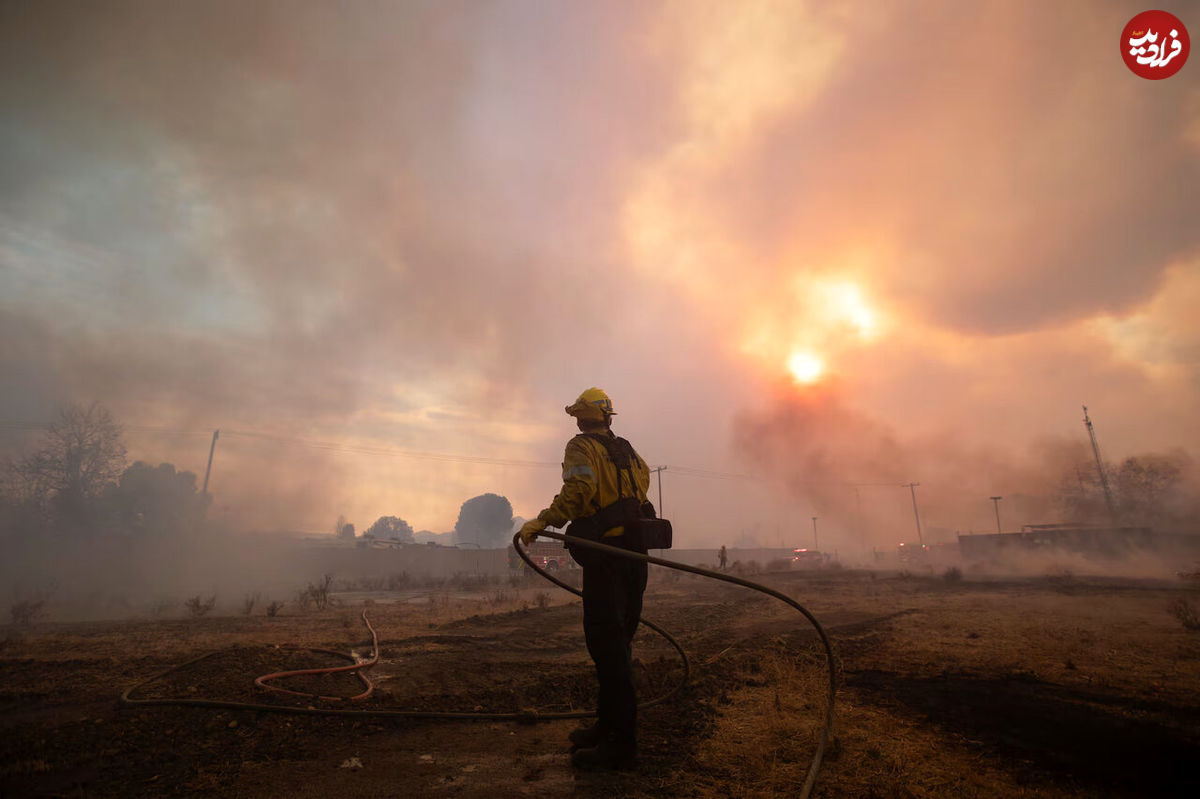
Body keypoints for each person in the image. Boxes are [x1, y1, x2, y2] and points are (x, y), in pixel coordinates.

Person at [519, 388, 652, 771]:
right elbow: (640, 491)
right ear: (608, 417)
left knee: (607, 648)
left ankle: (621, 746)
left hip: (607, 561)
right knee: (619, 643)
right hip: (633, 559)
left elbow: (579, 494)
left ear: (581, 417)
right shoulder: (628, 450)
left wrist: (542, 521)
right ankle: (607, 727)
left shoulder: (581, 448)